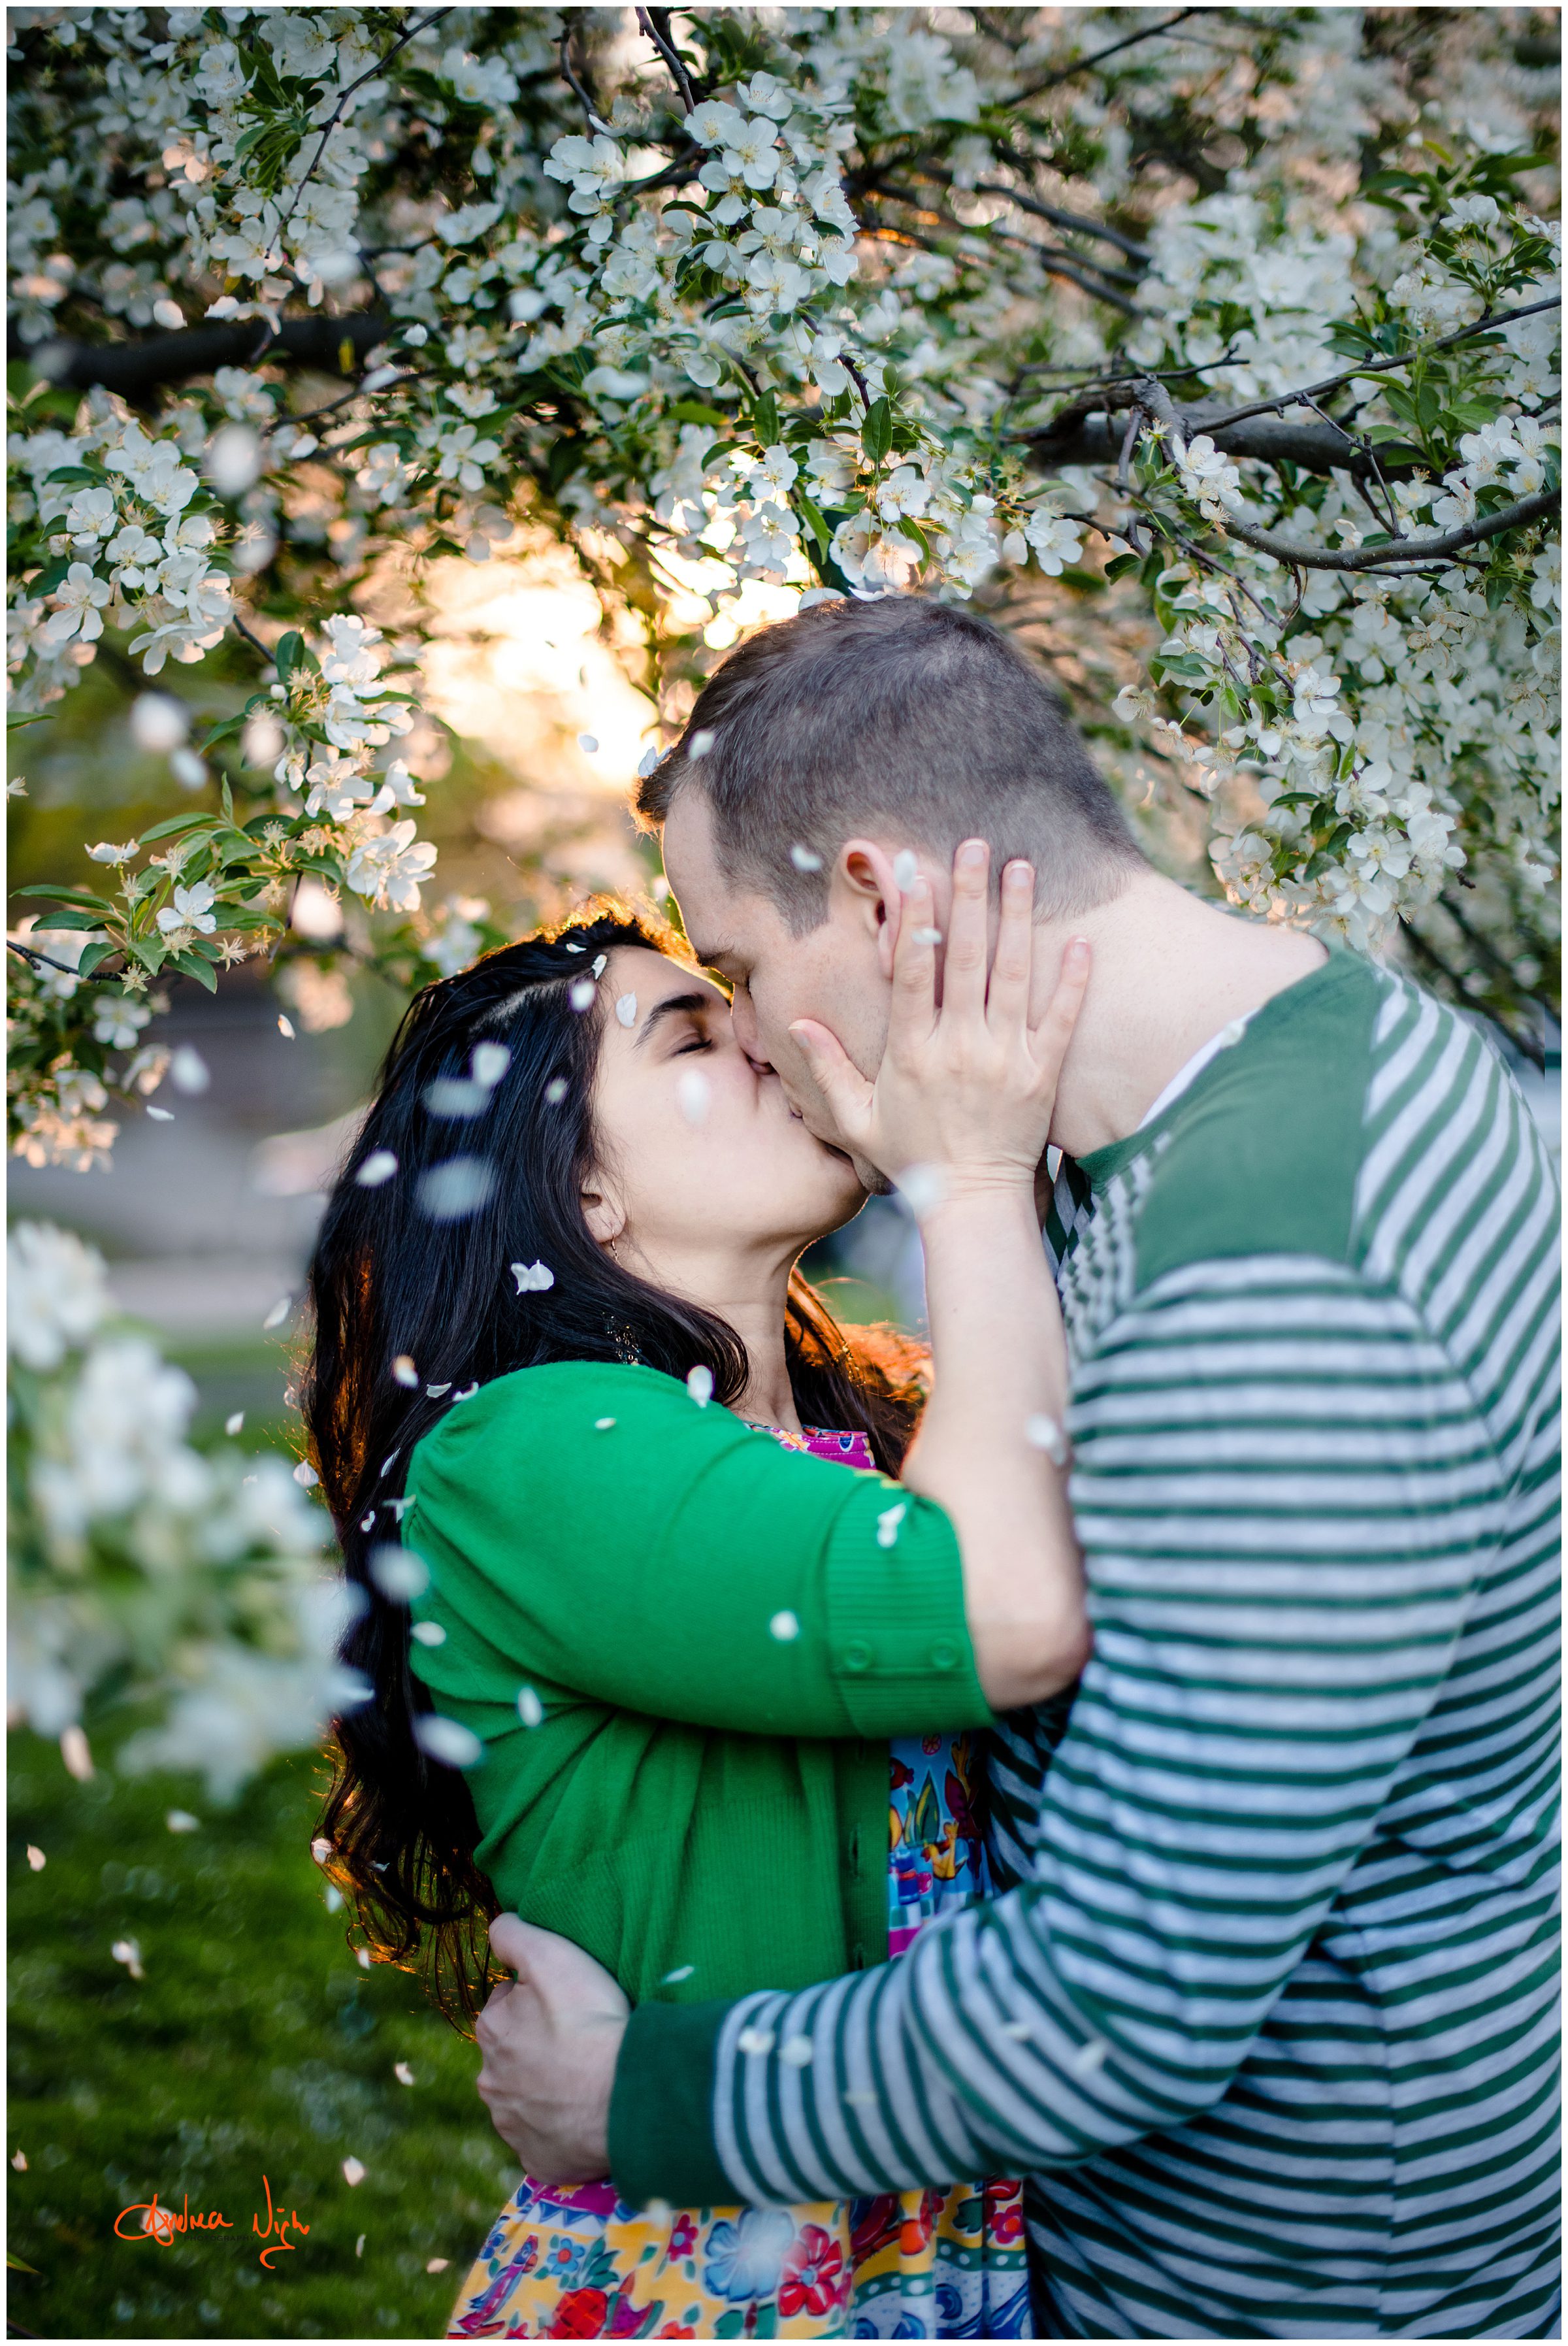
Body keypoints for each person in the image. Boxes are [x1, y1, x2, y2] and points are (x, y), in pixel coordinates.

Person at [471, 594, 1562, 2340]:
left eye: (741, 968)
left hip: (1287, 2286)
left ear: (887, 906)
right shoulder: (1292, 1071)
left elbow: (1122, 2005)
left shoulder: (1279, 1286)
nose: (750, 1033)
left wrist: (638, 2096)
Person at [303, 886, 1096, 2338]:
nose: (770, 1043)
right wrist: (974, 1186)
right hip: (713, 2281)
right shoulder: (524, 1455)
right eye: (691, 1035)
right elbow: (1001, 1612)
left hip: (931, 2247)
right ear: (579, 1190)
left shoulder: (878, 1433)